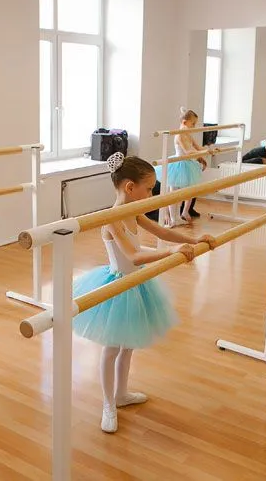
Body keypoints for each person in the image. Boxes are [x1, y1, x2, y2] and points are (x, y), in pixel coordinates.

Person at [73, 153, 216, 434]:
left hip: (136, 283)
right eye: (149, 189)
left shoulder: (134, 211)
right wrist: (171, 252)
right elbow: (133, 256)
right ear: (130, 187)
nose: (151, 194)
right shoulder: (112, 219)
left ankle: (121, 393)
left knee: (128, 345)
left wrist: (192, 239)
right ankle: (108, 404)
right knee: (112, 348)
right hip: (118, 285)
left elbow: (162, 233)